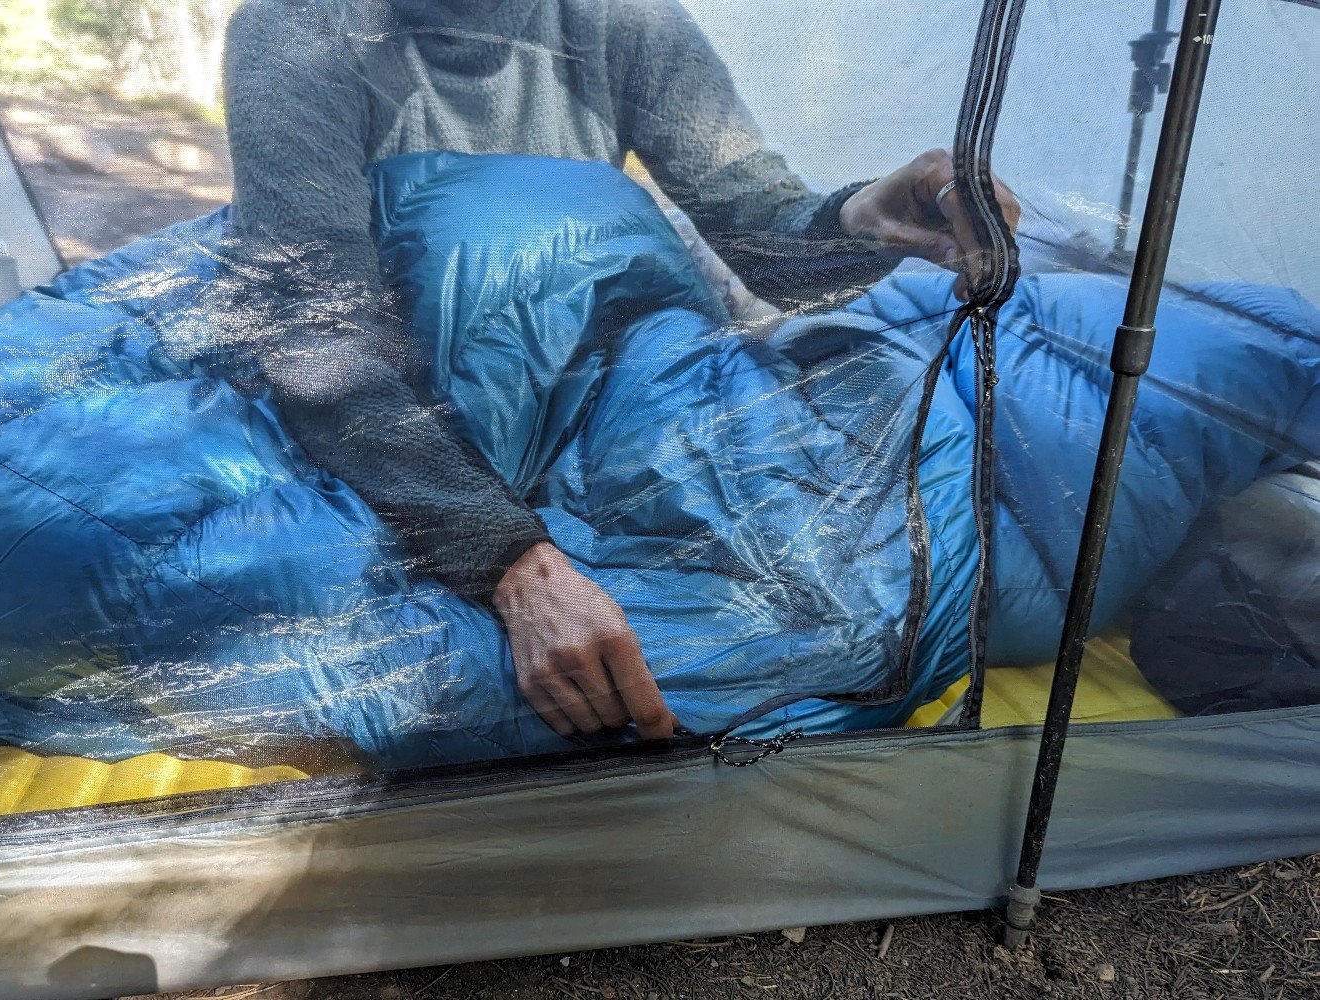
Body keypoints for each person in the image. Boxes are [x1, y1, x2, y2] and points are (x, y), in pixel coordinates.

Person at [222, 0, 1020, 745]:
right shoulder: (302, 29)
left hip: (599, 383)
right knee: (348, 629)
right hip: (412, 429)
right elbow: (312, 331)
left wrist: (861, 221)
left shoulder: (620, 18)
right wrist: (513, 567)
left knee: (877, 541)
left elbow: (764, 247)